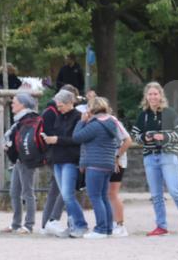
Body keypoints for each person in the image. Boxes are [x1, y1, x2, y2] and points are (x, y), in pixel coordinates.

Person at [130, 82, 178, 236]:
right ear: (146, 97)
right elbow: (135, 135)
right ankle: (161, 226)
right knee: (155, 195)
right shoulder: (143, 115)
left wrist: (164, 136)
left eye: (155, 94)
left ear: (161, 96)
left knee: (175, 191)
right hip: (150, 158)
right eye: (150, 94)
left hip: (168, 156)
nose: (153, 97)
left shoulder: (170, 113)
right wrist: (143, 138)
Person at [40, 89, 88, 238]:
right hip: (58, 159)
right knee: (67, 196)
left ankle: (81, 224)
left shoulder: (78, 118)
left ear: (70, 103)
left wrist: (57, 140)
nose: (58, 109)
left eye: (60, 106)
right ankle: (73, 224)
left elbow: (76, 139)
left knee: (67, 195)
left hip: (70, 160)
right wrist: (51, 139)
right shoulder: (59, 117)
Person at [72, 97, 119, 239]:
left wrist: (81, 122)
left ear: (92, 109)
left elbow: (76, 137)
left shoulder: (94, 125)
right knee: (103, 197)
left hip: (95, 165)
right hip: (107, 164)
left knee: (95, 197)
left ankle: (100, 229)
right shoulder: (111, 122)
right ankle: (108, 228)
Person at [0, 92, 40, 234]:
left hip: (27, 160)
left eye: (14, 102)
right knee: (14, 192)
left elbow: (24, 140)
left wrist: (10, 147)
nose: (12, 104)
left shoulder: (28, 119)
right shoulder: (20, 119)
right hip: (19, 160)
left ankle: (29, 225)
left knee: (27, 192)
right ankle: (16, 223)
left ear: (22, 104)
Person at [106, 104, 132, 238]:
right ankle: (110, 223)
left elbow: (128, 141)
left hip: (117, 161)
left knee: (112, 193)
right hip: (106, 161)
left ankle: (120, 225)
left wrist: (117, 156)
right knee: (107, 194)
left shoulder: (113, 122)